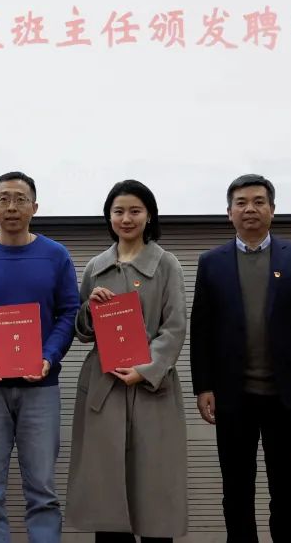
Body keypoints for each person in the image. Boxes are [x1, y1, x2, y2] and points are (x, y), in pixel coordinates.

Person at [190, 173, 291, 543]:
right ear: (229, 213)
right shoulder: (211, 262)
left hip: (287, 395)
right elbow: (201, 330)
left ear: (272, 209)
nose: (249, 209)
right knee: (236, 491)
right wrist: (203, 387)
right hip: (232, 396)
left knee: (286, 490)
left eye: (258, 202)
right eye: (241, 203)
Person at [0, 171, 81, 543]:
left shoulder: (56, 256)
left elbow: (69, 312)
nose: (11, 207)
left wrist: (49, 357)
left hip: (42, 387)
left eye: (20, 199)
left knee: (43, 492)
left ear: (34, 207)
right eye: (4, 199)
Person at [66, 180, 187, 543]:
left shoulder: (167, 264)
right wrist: (90, 309)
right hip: (104, 387)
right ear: (109, 217)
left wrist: (146, 370)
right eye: (118, 211)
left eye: (135, 210)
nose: (126, 218)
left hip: (151, 387)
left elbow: (175, 327)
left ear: (149, 216)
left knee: (154, 490)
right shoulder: (95, 267)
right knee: (107, 492)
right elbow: (82, 330)